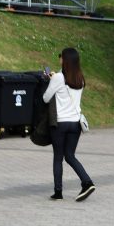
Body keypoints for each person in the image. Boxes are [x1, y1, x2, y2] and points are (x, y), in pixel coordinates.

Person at [42, 47, 95, 201]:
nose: (59, 58)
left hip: (60, 123)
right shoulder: (80, 78)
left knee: (58, 157)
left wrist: (51, 80)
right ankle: (87, 182)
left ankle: (58, 192)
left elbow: (46, 98)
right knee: (70, 156)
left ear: (65, 60)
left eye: (61, 56)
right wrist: (55, 77)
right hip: (75, 123)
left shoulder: (58, 78)